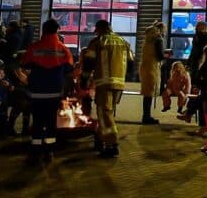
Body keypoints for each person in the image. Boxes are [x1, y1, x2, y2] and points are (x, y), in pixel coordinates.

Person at [22, 19, 74, 164]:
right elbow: (69, 69)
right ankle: (49, 152)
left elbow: (25, 64)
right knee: (51, 122)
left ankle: (35, 151)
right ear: (57, 31)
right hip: (54, 92)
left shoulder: (34, 48)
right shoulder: (63, 49)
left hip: (36, 92)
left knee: (37, 121)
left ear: (44, 30)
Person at [82, 20, 133, 158]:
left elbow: (88, 63)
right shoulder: (123, 41)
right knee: (108, 113)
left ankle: (111, 144)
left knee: (104, 113)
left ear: (99, 29)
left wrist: (83, 80)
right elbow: (131, 63)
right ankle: (100, 140)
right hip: (119, 83)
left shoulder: (98, 41)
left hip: (104, 83)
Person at [186, 21, 207, 134]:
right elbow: (193, 51)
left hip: (201, 70)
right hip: (196, 67)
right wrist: (189, 61)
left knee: (200, 94)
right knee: (196, 91)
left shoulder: (206, 38)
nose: (196, 29)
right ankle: (189, 112)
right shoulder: (196, 37)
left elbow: (200, 51)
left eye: (199, 27)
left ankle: (190, 112)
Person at [139, 22, 166, 125]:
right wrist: (166, 55)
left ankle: (146, 115)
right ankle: (146, 117)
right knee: (149, 93)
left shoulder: (147, 40)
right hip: (153, 67)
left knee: (147, 92)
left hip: (144, 67)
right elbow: (159, 56)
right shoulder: (158, 40)